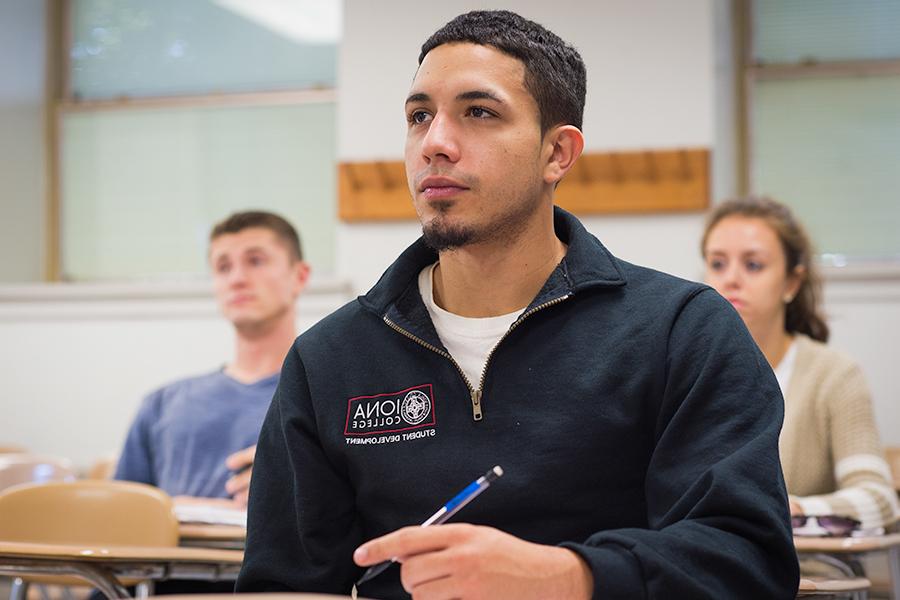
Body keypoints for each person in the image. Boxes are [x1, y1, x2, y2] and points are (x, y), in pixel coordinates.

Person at [237, 10, 798, 599]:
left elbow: (748, 561)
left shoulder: (683, 330)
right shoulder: (330, 358)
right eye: (419, 116)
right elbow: (282, 583)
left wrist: (568, 577)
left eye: (479, 112)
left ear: (557, 152)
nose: (435, 144)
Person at [702, 196, 899, 531]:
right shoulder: (682, 368)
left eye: (753, 265)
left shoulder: (834, 375)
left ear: (792, 283)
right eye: (718, 264)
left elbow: (878, 500)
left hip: (804, 577)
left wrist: (782, 511)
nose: (731, 279)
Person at [114, 210, 310, 506]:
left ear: (299, 276)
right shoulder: (162, 404)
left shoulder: (330, 398)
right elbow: (121, 515)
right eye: (223, 267)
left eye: (255, 261)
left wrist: (295, 483)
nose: (237, 279)